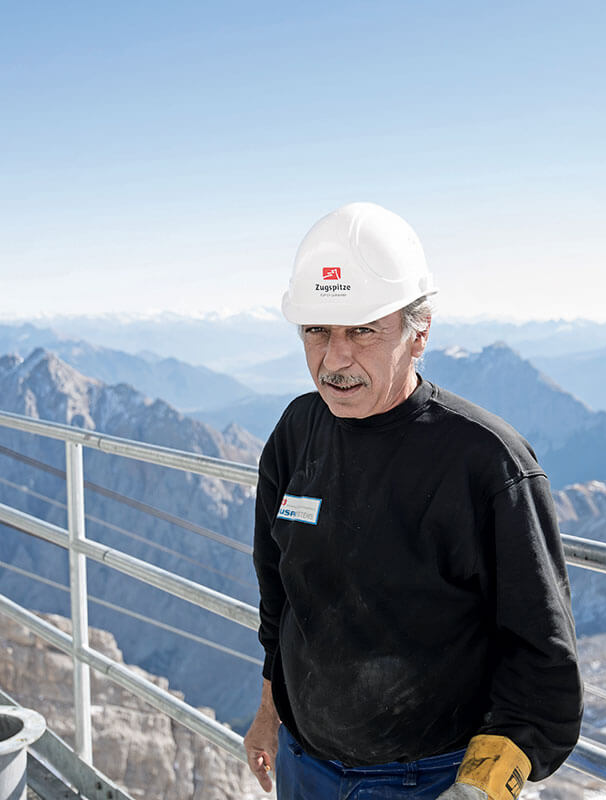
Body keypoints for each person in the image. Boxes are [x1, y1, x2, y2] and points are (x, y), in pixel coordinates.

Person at [244, 202, 582, 800]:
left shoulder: (487, 463)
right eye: (317, 330)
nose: (334, 357)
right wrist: (271, 708)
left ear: (418, 331)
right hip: (304, 762)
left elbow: (542, 657)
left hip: (425, 780)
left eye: (363, 330)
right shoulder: (298, 431)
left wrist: (478, 790)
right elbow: (280, 593)